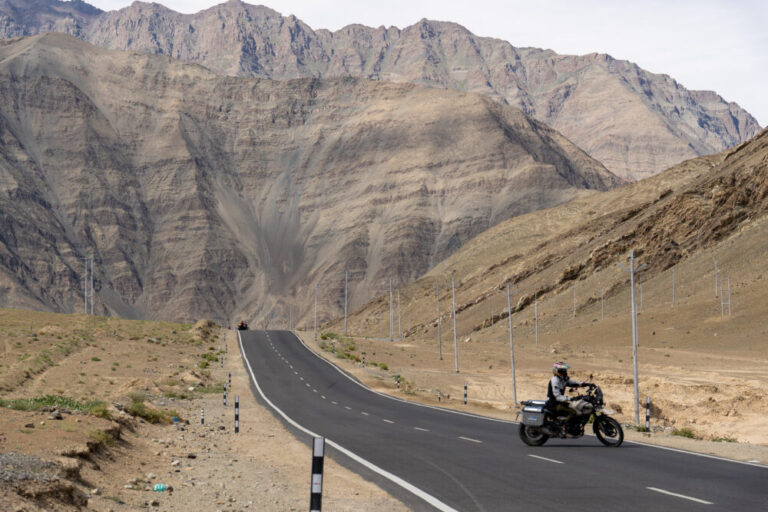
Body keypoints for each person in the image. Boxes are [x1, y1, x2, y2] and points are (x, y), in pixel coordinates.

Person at [546, 362, 590, 434]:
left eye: (565, 370)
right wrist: (570, 399)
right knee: (573, 412)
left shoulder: (562, 379)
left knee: (575, 407)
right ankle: (563, 428)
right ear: (556, 371)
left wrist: (586, 384)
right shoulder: (555, 380)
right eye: (562, 370)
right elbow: (557, 396)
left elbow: (573, 383)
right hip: (553, 403)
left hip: (560, 402)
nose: (564, 372)